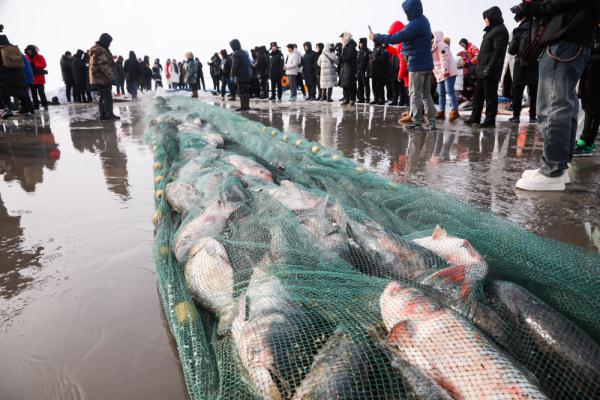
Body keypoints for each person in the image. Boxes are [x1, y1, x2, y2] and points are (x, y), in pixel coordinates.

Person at [513, 0, 599, 191]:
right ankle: (558, 165)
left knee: (553, 104)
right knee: (564, 102)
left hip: (565, 33)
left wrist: (533, 7)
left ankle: (552, 171)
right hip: (575, 34)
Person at [370, 0, 437, 130]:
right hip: (426, 64)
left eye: (407, 11)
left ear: (411, 10)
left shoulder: (416, 24)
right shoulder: (423, 20)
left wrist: (376, 37)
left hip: (417, 65)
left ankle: (417, 122)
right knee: (426, 95)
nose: (406, 14)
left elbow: (396, 37)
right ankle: (431, 122)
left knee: (415, 94)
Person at [464, 7, 509, 128]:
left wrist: (489, 68)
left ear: (492, 18)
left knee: (490, 97)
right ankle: (475, 117)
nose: (485, 21)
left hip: (490, 70)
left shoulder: (500, 31)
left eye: (486, 19)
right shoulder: (491, 31)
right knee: (478, 96)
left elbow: (498, 52)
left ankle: (490, 120)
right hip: (482, 70)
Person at [574, 26, 600, 157]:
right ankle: (586, 140)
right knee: (588, 104)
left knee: (591, 106)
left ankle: (587, 143)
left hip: (595, 66)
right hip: (590, 65)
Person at [508, 18, 539, 124]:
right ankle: (533, 117)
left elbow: (511, 51)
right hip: (535, 64)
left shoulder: (518, 30)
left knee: (517, 91)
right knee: (534, 93)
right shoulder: (539, 28)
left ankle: (516, 116)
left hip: (520, 63)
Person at [0, 33, 34, 118]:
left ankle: (8, 109)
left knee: (5, 93)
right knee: (22, 93)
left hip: (6, 78)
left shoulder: (1, 50)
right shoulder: (15, 49)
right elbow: (24, 62)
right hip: (19, 76)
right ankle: (28, 110)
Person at [432, 31, 460, 121]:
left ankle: (454, 111)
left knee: (449, 91)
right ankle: (441, 111)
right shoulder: (432, 46)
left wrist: (446, 71)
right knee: (441, 92)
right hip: (440, 73)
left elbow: (444, 58)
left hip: (448, 72)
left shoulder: (442, 45)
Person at [89, 33, 118, 120]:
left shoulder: (97, 49)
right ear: (105, 41)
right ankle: (109, 114)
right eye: (109, 42)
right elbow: (104, 65)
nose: (109, 44)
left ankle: (103, 115)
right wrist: (112, 77)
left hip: (98, 77)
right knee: (107, 96)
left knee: (102, 96)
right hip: (103, 77)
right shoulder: (101, 50)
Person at [24, 45, 48, 111]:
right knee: (33, 94)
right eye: (28, 51)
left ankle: (45, 105)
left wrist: (35, 64)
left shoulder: (40, 56)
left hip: (40, 79)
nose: (29, 52)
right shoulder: (25, 57)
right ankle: (36, 106)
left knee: (41, 92)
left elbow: (44, 65)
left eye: (30, 50)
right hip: (31, 79)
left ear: (33, 50)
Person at [230, 39, 252, 111]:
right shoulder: (244, 53)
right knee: (246, 91)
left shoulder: (235, 54)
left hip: (240, 75)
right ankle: (247, 106)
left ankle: (243, 106)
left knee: (241, 91)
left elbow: (234, 66)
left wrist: (232, 75)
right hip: (247, 74)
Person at [338, 32, 358, 105]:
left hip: (350, 68)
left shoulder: (351, 46)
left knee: (350, 85)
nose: (342, 39)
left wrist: (341, 58)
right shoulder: (345, 46)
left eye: (342, 37)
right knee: (344, 85)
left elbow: (349, 57)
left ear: (346, 37)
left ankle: (352, 99)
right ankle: (347, 98)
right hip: (345, 68)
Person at [370, 38, 391, 105]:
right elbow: (371, 56)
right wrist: (371, 58)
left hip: (380, 71)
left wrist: (375, 59)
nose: (373, 43)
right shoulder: (374, 48)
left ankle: (381, 99)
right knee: (374, 86)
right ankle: (376, 98)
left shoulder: (382, 48)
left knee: (380, 86)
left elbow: (383, 57)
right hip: (373, 70)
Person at [357, 38, 371, 104]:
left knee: (366, 85)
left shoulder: (368, 51)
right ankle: (361, 98)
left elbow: (369, 63)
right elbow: (357, 62)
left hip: (364, 71)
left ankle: (368, 97)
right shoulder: (359, 51)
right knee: (360, 85)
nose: (361, 44)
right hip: (359, 71)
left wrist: (367, 70)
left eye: (362, 43)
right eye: (360, 43)